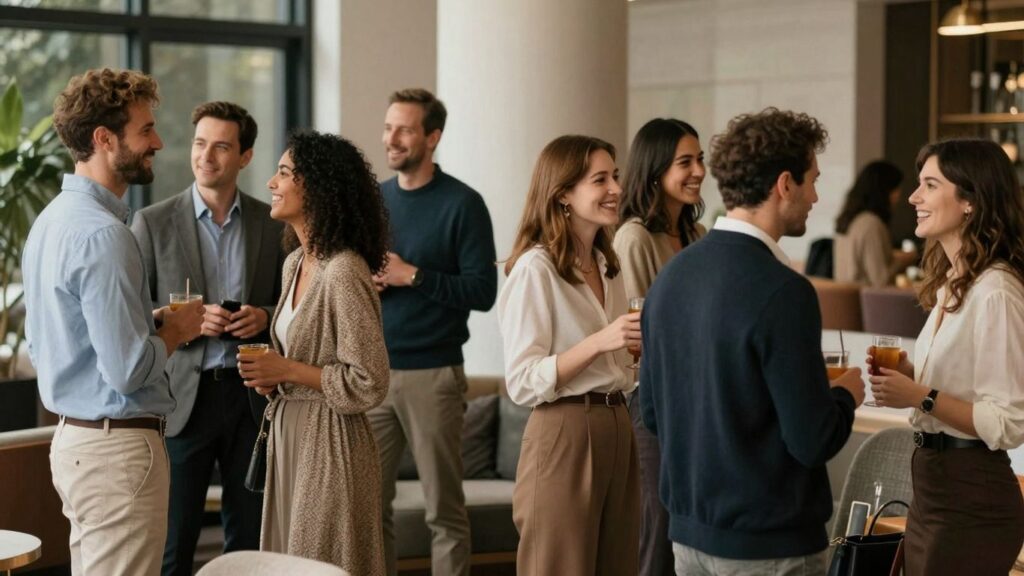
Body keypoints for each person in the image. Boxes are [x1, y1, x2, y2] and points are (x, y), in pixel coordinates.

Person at [638, 108, 865, 575]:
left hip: (688, 539)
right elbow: (812, 440)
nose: (816, 196)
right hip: (767, 546)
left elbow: (653, 413)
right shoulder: (784, 290)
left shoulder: (671, 278)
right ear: (784, 184)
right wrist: (846, 394)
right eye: (812, 181)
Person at [21, 68, 203, 576]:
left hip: (74, 444)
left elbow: (58, 336)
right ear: (104, 139)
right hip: (117, 452)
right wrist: (175, 331)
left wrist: (147, 320)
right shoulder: (104, 235)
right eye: (145, 130)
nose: (158, 142)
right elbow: (127, 371)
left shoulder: (51, 222)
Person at [131, 101, 285, 576]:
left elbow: (294, 307)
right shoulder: (152, 223)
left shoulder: (274, 223)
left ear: (246, 156)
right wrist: (186, 324)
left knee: (248, 541)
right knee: (175, 540)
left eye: (221, 145)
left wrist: (264, 316)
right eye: (200, 143)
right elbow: (135, 318)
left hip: (251, 398)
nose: (206, 156)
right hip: (182, 400)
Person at [236, 130, 390, 573]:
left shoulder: (344, 271)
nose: (270, 182)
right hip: (288, 431)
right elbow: (303, 361)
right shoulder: (294, 264)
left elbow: (370, 381)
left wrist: (287, 368)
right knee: (289, 559)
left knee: (320, 560)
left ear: (318, 188)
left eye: (284, 173)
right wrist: (275, 377)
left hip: (331, 441)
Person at [868, 138, 1024, 576]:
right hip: (935, 490)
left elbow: (1007, 423)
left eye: (929, 185)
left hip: (972, 500)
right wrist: (911, 376)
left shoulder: (996, 292)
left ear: (970, 200)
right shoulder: (955, 284)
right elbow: (963, 387)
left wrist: (920, 393)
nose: (914, 197)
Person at [498, 135, 641, 576]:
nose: (616, 188)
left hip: (618, 424)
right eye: (600, 179)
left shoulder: (606, 264)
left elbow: (617, 366)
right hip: (564, 430)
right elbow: (521, 380)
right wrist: (601, 340)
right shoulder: (534, 269)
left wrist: (632, 353)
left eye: (615, 176)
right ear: (563, 193)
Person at [369, 88, 497, 576]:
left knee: (443, 511)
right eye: (388, 128)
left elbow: (483, 291)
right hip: (375, 374)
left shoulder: (463, 204)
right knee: (369, 509)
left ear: (432, 136)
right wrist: (374, 281)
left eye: (403, 129)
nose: (392, 138)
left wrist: (413, 275)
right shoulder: (375, 200)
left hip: (435, 375)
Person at [613, 117, 706, 576]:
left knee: (686, 529)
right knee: (657, 527)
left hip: (694, 403)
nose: (698, 171)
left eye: (700, 160)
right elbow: (640, 332)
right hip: (652, 405)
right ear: (654, 170)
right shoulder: (633, 237)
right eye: (684, 162)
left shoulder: (697, 235)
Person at [833, 160, 917, 286]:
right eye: (896, 189)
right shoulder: (872, 224)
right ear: (884, 190)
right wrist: (905, 260)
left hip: (847, 301)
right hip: (865, 303)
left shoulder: (849, 221)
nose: (898, 196)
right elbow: (881, 281)